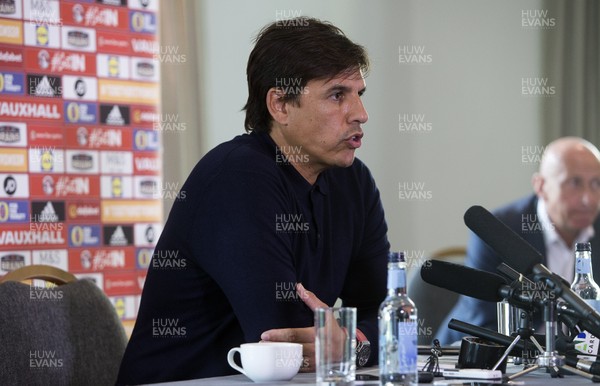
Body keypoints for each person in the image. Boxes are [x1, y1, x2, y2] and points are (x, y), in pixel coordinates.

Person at [116, 17, 390, 384]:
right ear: (280, 105)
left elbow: (385, 315)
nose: (360, 114)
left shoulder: (355, 182)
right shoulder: (237, 177)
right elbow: (279, 338)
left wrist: (350, 343)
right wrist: (347, 340)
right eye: (337, 95)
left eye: (360, 94)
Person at [437, 137, 600, 345]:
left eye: (596, 183)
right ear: (540, 186)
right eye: (574, 183)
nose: (588, 199)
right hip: (478, 359)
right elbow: (485, 323)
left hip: (574, 361)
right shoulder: (498, 230)